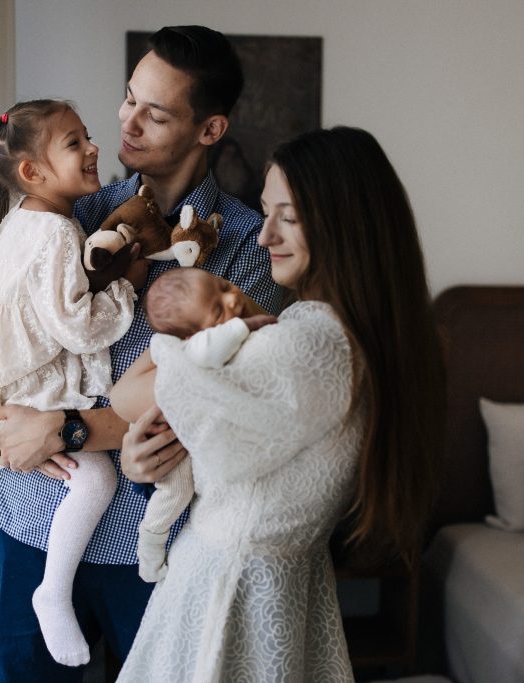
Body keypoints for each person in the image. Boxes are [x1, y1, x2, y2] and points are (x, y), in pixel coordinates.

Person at [0, 26, 282, 682]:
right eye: (128, 98)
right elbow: (2, 329)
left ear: (210, 129)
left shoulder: (246, 249)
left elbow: (210, 403)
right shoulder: (70, 213)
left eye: (157, 113)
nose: (128, 121)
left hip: (156, 545)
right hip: (34, 513)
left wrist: (65, 428)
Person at [117, 126, 447, 682]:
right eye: (265, 212)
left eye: (287, 217)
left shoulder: (302, 343)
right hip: (276, 588)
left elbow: (130, 396)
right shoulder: (351, 335)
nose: (264, 235)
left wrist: (166, 350)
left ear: (345, 224)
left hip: (230, 591)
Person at [0, 99, 148, 666]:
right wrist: (126, 286)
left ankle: (52, 589)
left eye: (87, 135)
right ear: (33, 171)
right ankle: (54, 589)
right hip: (34, 388)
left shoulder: (19, 222)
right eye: (75, 143)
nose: (94, 147)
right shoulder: (57, 232)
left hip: (11, 383)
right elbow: (76, 325)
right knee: (96, 478)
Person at [109, 268, 277, 582]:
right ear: (190, 334)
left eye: (224, 286)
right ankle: (150, 544)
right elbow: (212, 348)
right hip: (170, 443)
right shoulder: (194, 349)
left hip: (191, 440)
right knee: (175, 494)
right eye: (218, 311)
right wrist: (248, 325)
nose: (233, 299)